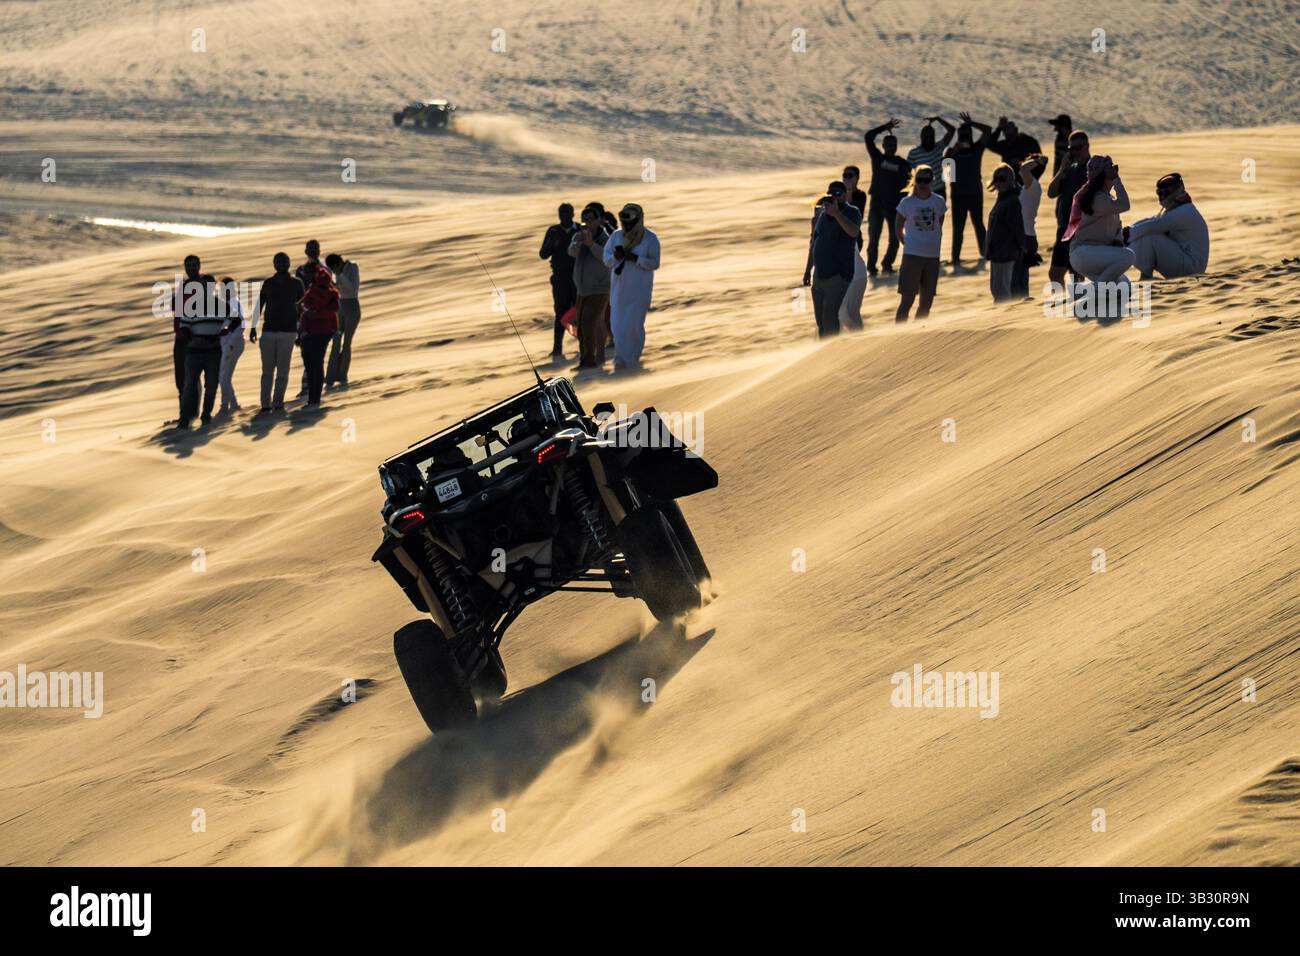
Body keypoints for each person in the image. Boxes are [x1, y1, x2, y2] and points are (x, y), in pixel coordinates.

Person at [1064, 155, 1135, 317]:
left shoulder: (1106, 199)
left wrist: (1117, 242)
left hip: (1097, 256)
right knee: (1128, 256)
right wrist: (1117, 180)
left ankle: (1081, 292)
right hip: (1084, 254)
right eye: (1112, 169)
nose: (1115, 172)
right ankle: (1094, 293)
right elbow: (1125, 205)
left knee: (1124, 286)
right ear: (1103, 175)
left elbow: (1116, 230)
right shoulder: (1097, 199)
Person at [602, 203, 660, 371]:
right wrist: (616, 256)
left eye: (630, 221)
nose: (627, 225)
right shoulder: (616, 236)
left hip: (639, 291)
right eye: (624, 221)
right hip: (619, 291)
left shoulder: (650, 238)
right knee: (618, 327)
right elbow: (606, 259)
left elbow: (655, 263)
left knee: (633, 327)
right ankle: (621, 360)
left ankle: (632, 360)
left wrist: (636, 259)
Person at [803, 181, 862, 337]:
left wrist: (836, 214)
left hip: (838, 274)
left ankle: (832, 353)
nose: (834, 197)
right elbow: (814, 244)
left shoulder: (852, 212)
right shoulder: (821, 215)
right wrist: (808, 270)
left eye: (838, 194)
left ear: (845, 195)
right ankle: (825, 352)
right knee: (820, 321)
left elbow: (853, 232)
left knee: (829, 317)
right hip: (819, 275)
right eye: (831, 194)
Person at [249, 252, 305, 413]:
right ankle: (265, 404)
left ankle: (278, 402)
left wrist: (301, 331)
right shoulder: (268, 283)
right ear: (274, 264)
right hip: (268, 332)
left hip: (288, 332)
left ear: (289, 263)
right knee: (267, 371)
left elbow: (302, 308)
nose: (280, 264)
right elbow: (259, 305)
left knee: (283, 369)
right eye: (278, 261)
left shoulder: (296, 283)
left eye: (283, 261)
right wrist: (253, 327)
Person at [1126, 173, 1210, 280]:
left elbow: (1154, 226)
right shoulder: (1176, 209)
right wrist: (1126, 231)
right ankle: (1146, 277)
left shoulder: (1185, 211)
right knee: (1146, 235)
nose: (1161, 197)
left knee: (1151, 238)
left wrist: (1125, 237)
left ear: (1176, 192)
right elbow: (1152, 221)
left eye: (1165, 193)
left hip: (1191, 269)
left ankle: (1146, 277)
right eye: (1159, 193)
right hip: (1188, 264)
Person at [176, 265, 228, 430]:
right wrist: (194, 338)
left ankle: (206, 415)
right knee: (189, 385)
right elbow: (183, 326)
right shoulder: (192, 305)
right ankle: (185, 419)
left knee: (211, 385)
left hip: (213, 351)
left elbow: (236, 319)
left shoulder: (221, 305)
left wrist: (224, 332)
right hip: (194, 351)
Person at [894, 165, 947, 322]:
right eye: (919, 180)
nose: (923, 183)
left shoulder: (939, 201)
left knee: (927, 301)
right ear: (914, 181)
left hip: (932, 256)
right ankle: (899, 334)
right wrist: (909, 245)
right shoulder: (906, 202)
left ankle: (919, 331)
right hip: (912, 256)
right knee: (907, 300)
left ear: (932, 181)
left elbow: (939, 224)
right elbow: (898, 229)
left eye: (926, 180)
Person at [864, 119, 912, 277]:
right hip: (877, 204)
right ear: (883, 146)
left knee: (895, 237)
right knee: (874, 238)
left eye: (893, 145)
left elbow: (909, 183)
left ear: (896, 146)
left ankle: (887, 264)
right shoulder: (878, 158)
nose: (891, 148)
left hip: (894, 206)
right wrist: (884, 128)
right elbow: (868, 137)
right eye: (888, 145)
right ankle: (871, 267)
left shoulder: (902, 164)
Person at [945, 112, 993, 270]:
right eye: (962, 135)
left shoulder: (976, 148)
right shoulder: (951, 152)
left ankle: (986, 254)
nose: (965, 138)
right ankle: (955, 258)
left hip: (975, 194)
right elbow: (946, 174)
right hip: (958, 195)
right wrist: (954, 151)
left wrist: (972, 123)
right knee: (958, 228)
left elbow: (988, 130)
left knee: (979, 224)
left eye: (967, 135)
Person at [1046, 130, 1092, 295]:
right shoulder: (1070, 170)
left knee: (1076, 274)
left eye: (1078, 148)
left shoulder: (1093, 169)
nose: (1074, 152)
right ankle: (1060, 303)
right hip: (1064, 229)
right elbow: (1051, 193)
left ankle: (1078, 305)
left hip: (1082, 229)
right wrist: (1061, 170)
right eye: (1071, 149)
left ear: (1087, 146)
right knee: (1055, 274)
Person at [568, 204, 611, 369]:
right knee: (581, 325)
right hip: (582, 290)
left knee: (589, 323)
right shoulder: (579, 236)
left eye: (591, 219)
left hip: (599, 289)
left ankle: (590, 360)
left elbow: (606, 258)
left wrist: (591, 244)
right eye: (584, 219)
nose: (587, 223)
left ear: (599, 221)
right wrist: (578, 243)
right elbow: (571, 253)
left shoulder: (606, 239)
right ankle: (585, 359)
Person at [171, 255, 214, 412]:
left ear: (199, 265)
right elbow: (174, 306)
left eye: (194, 265)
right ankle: (185, 411)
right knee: (181, 377)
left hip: (195, 336)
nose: (191, 268)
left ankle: (192, 412)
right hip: (180, 337)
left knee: (192, 375)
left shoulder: (203, 283)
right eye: (188, 265)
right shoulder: (184, 285)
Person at [539, 204, 578, 361]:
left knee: (579, 311)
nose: (564, 215)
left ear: (573, 214)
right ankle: (557, 348)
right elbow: (543, 254)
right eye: (562, 212)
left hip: (578, 278)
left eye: (567, 212)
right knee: (560, 313)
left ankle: (585, 345)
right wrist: (551, 244)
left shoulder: (579, 230)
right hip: (560, 279)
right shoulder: (554, 231)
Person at [297, 265, 339, 406]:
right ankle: (314, 398)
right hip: (318, 333)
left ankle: (313, 398)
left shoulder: (318, 292)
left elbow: (304, 308)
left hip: (314, 333)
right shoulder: (331, 293)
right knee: (314, 364)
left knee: (312, 364)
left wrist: (312, 315)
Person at [984, 164, 1027, 302]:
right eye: (997, 178)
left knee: (1002, 293)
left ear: (1011, 180)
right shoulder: (1003, 198)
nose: (999, 182)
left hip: (1006, 253)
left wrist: (1021, 248)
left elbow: (1018, 228)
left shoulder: (1012, 200)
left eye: (1003, 178)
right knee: (996, 290)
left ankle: (1004, 319)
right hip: (997, 253)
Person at [294, 240, 329, 399]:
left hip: (321, 317)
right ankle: (307, 386)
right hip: (304, 317)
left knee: (317, 354)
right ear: (305, 251)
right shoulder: (300, 270)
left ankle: (311, 388)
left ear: (319, 251)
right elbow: (297, 296)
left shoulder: (324, 270)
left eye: (315, 249)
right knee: (306, 352)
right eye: (310, 249)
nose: (313, 251)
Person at [837, 165, 869, 330]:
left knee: (847, 311)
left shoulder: (860, 196)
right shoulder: (839, 197)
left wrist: (846, 194)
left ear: (857, 178)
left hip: (854, 237)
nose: (847, 178)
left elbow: (856, 213)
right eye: (845, 176)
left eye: (850, 176)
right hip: (843, 242)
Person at [1014, 154, 1049, 298]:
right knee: (1019, 278)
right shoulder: (1026, 187)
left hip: (1025, 237)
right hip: (1025, 236)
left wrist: (1039, 161)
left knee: (1018, 280)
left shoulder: (1033, 185)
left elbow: (1023, 169)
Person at [324, 252, 361, 387]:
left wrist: (340, 275)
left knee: (346, 343)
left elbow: (352, 290)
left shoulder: (352, 267)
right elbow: (339, 290)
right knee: (336, 341)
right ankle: (330, 377)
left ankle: (342, 375)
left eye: (335, 268)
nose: (334, 271)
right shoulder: (338, 273)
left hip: (352, 307)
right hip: (340, 307)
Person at [906, 116, 956, 198]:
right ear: (921, 137)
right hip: (921, 192)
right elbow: (906, 173)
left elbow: (952, 130)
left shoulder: (939, 147)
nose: (928, 139)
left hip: (939, 192)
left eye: (931, 136)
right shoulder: (914, 153)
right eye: (926, 136)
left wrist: (938, 119)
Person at [217, 276, 246, 414]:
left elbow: (240, 324)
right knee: (224, 375)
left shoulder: (234, 303)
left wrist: (230, 344)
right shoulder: (225, 303)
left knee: (224, 377)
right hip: (227, 344)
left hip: (233, 344)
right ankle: (233, 403)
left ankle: (225, 405)